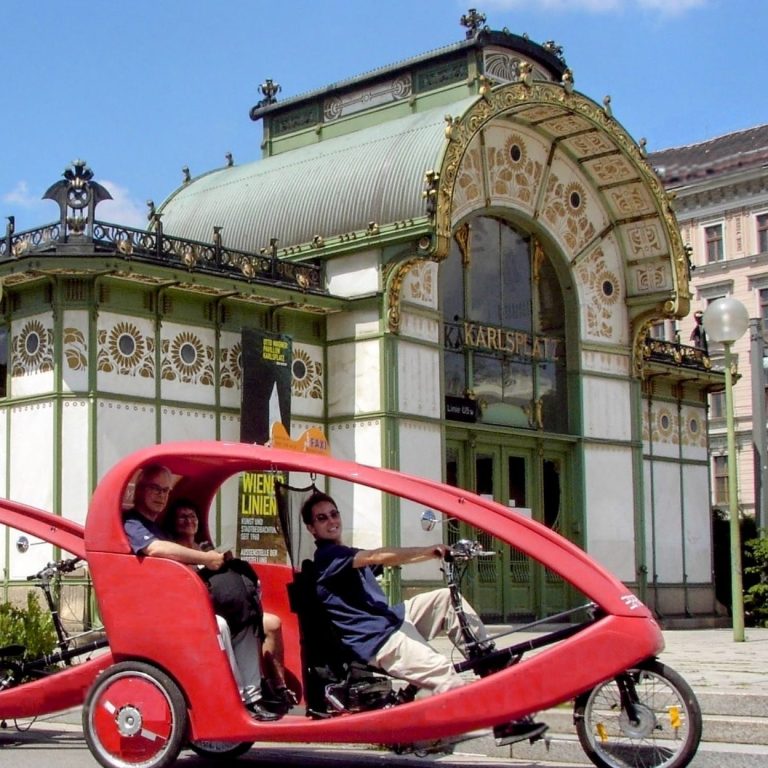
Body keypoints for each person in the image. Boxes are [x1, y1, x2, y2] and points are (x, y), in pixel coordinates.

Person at [300, 491, 548, 745]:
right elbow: (377, 556)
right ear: (312, 528)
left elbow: (387, 560)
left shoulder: (344, 553)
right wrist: (427, 550)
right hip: (379, 639)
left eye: (334, 514)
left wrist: (440, 552)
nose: (331, 521)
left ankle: (488, 663)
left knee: (444, 598)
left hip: (392, 619)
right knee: (442, 671)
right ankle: (498, 722)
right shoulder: (328, 557)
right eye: (322, 518)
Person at [122, 463, 280, 721]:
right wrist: (206, 559)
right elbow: (155, 550)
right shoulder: (133, 523)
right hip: (157, 611)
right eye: (155, 488)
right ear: (139, 489)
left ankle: (253, 697)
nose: (161, 495)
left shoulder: (157, 526)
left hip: (183, 603)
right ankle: (235, 700)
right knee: (218, 625)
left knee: (247, 617)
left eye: (165, 490)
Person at [164, 498, 297, 712]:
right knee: (226, 624)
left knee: (262, 621)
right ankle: (238, 692)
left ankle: (270, 688)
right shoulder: (175, 551)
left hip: (225, 606)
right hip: (198, 612)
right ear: (172, 522)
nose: (189, 521)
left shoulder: (206, 547)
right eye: (183, 516)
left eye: (193, 516)